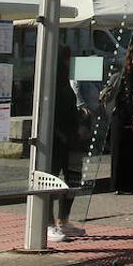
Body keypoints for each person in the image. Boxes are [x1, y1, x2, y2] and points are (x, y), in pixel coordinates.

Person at [49, 45, 86, 243]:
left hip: (71, 140)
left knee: (72, 179)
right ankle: (48, 223)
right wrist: (61, 134)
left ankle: (63, 219)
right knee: (51, 181)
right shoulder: (52, 82)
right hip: (57, 141)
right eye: (67, 59)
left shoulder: (64, 82)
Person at [110, 40, 133, 194]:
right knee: (132, 153)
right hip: (129, 117)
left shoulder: (123, 72)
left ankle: (117, 185)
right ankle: (131, 185)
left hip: (118, 117)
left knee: (119, 153)